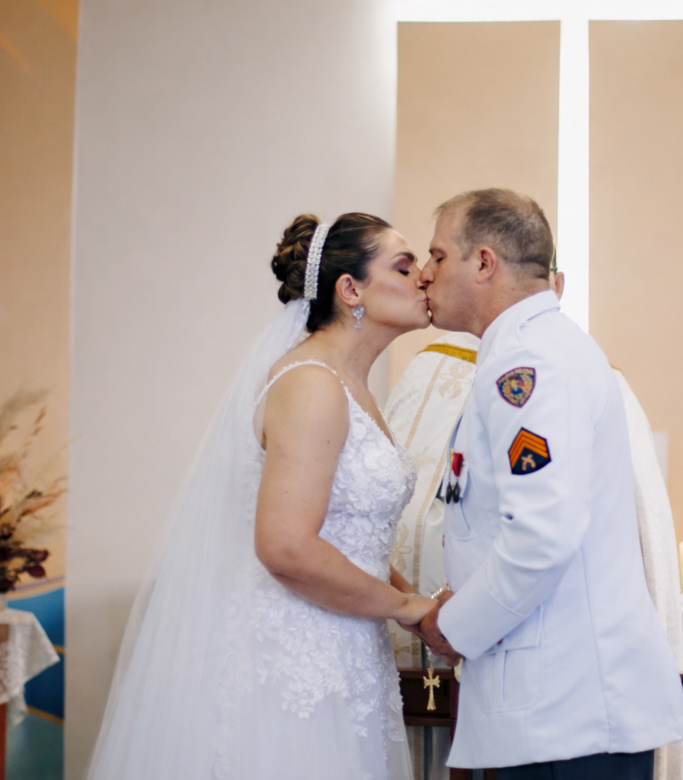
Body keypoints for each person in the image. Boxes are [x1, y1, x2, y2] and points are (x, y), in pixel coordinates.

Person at [88, 213, 437, 780]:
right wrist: (405, 609)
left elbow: (352, 535)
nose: (423, 276)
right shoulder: (311, 384)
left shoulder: (350, 384)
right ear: (350, 289)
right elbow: (285, 546)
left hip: (348, 647)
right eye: (404, 266)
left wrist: (412, 602)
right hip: (298, 656)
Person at [412, 189, 683, 779]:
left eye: (437, 256)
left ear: (484, 263)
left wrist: (454, 626)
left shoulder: (529, 363)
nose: (425, 274)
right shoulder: (533, 349)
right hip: (562, 709)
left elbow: (542, 536)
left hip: (568, 714)